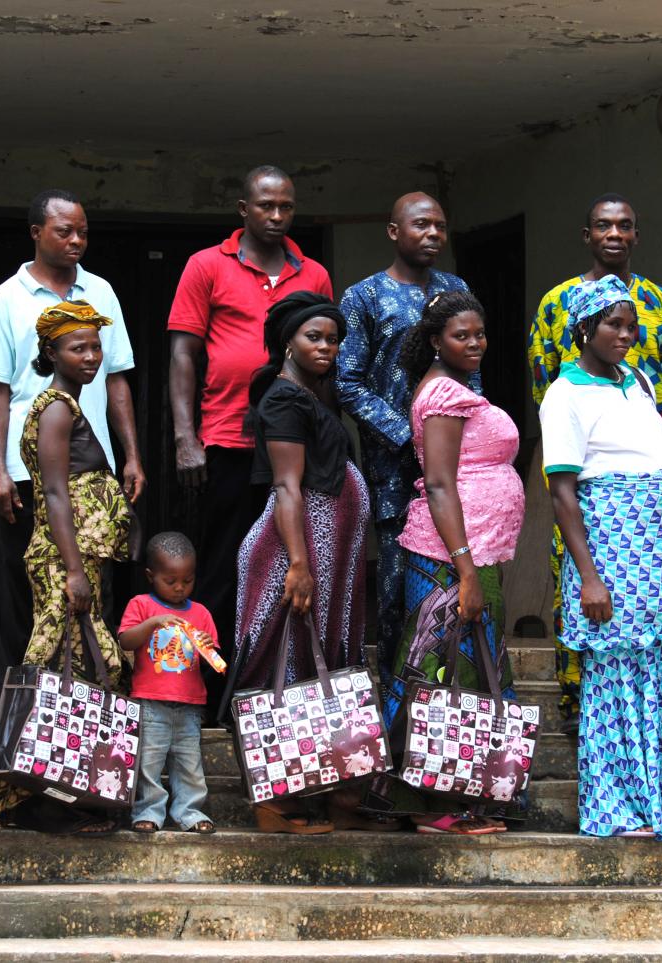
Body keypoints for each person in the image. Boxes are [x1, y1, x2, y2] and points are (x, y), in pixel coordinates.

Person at [541, 276, 662, 839]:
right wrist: (588, 577)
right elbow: (563, 492)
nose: (626, 336)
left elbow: (642, 453)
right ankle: (621, 809)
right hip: (612, 553)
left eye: (631, 326)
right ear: (584, 328)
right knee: (620, 678)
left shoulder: (636, 379)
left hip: (658, 554)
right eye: (614, 325)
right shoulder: (565, 395)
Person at [0, 189, 144, 707]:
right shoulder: (6, 299)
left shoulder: (101, 291)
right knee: (23, 586)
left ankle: (86, 707)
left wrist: (130, 455)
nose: (75, 240)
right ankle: (14, 706)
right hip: (28, 469)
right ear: (36, 234)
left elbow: (117, 380)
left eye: (83, 231)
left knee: (92, 586)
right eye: (64, 230)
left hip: (93, 471)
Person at [169, 166, 334, 711]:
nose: (277, 216)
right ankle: (206, 693)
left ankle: (268, 694)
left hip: (294, 449)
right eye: (266, 206)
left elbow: (325, 363)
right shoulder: (205, 265)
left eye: (286, 207)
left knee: (290, 568)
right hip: (226, 441)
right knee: (221, 570)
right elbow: (183, 355)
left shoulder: (313, 273)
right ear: (244, 210)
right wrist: (185, 436)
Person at [0, 301, 132, 835]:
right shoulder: (57, 407)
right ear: (51, 353)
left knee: (80, 669)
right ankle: (22, 798)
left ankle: (66, 792)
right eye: (76, 347)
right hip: (65, 561)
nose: (89, 356)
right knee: (55, 669)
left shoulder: (69, 404)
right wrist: (75, 570)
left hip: (76, 559)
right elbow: (55, 494)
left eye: (93, 346)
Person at [364, 291, 526, 834]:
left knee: (466, 673)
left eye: (480, 333)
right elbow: (437, 484)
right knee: (439, 676)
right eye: (462, 335)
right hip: (448, 560)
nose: (475, 343)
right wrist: (465, 570)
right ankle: (431, 805)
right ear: (436, 340)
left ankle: (465, 795)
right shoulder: (441, 396)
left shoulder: (454, 389)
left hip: (472, 555)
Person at [528, 193, 662, 733]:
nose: (614, 234)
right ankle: (579, 706)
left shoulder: (660, 304)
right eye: (603, 225)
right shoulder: (556, 305)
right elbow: (542, 378)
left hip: (651, 496)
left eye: (625, 225)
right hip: (589, 479)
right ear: (587, 233)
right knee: (585, 598)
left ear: (637, 235)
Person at [231, 293, 369, 834]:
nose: (327, 347)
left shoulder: (311, 395)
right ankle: (273, 801)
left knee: (314, 669)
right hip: (298, 548)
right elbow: (288, 487)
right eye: (314, 337)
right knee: (281, 666)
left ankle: (320, 790)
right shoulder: (285, 401)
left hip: (324, 551)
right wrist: (298, 563)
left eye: (333, 339)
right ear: (288, 340)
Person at [338, 192, 470, 688]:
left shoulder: (455, 289)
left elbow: (468, 375)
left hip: (455, 468)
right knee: (395, 591)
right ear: (394, 232)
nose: (433, 234)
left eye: (440, 225)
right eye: (421, 225)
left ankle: (449, 700)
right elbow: (348, 381)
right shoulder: (364, 296)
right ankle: (397, 705)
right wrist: (408, 435)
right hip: (395, 469)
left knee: (455, 583)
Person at [119, 532, 218, 835]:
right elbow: (125, 640)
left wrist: (205, 646)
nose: (179, 588)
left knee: (189, 764)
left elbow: (214, 661)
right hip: (150, 702)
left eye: (187, 581)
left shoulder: (200, 612)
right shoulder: (141, 605)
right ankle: (148, 811)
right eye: (170, 581)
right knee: (148, 762)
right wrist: (152, 623)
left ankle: (189, 811)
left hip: (189, 704)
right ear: (151, 576)